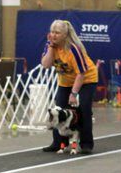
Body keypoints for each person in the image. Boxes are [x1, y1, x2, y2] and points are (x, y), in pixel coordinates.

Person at [41, 19, 98, 154]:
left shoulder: (73, 49)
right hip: (65, 81)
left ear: (64, 35)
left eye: (57, 33)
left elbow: (82, 73)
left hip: (86, 80)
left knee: (83, 109)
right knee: (59, 110)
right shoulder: (50, 46)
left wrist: (74, 94)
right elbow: (46, 64)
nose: (54, 35)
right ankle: (59, 143)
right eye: (52, 32)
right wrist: (50, 48)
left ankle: (86, 143)